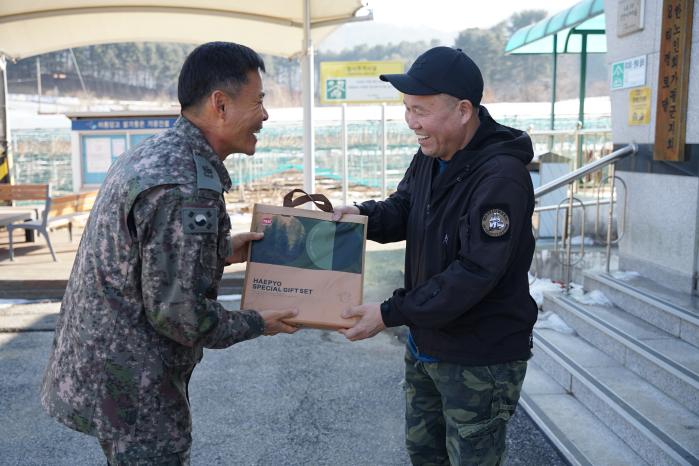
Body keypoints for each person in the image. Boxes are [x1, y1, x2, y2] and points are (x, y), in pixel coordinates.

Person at [41, 42, 298, 465]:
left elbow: (147, 256)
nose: (265, 115)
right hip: (135, 385)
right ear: (220, 104)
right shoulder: (184, 187)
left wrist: (219, 250)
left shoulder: (154, 154)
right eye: (259, 101)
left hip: (110, 367)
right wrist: (256, 322)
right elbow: (179, 315)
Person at [333, 46, 537, 465]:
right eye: (407, 110)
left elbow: (476, 271)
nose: (412, 123)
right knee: (425, 454)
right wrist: (360, 217)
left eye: (420, 110)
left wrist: (390, 313)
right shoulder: (431, 155)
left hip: (480, 357)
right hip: (428, 344)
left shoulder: (501, 177)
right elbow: (404, 209)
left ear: (463, 110)